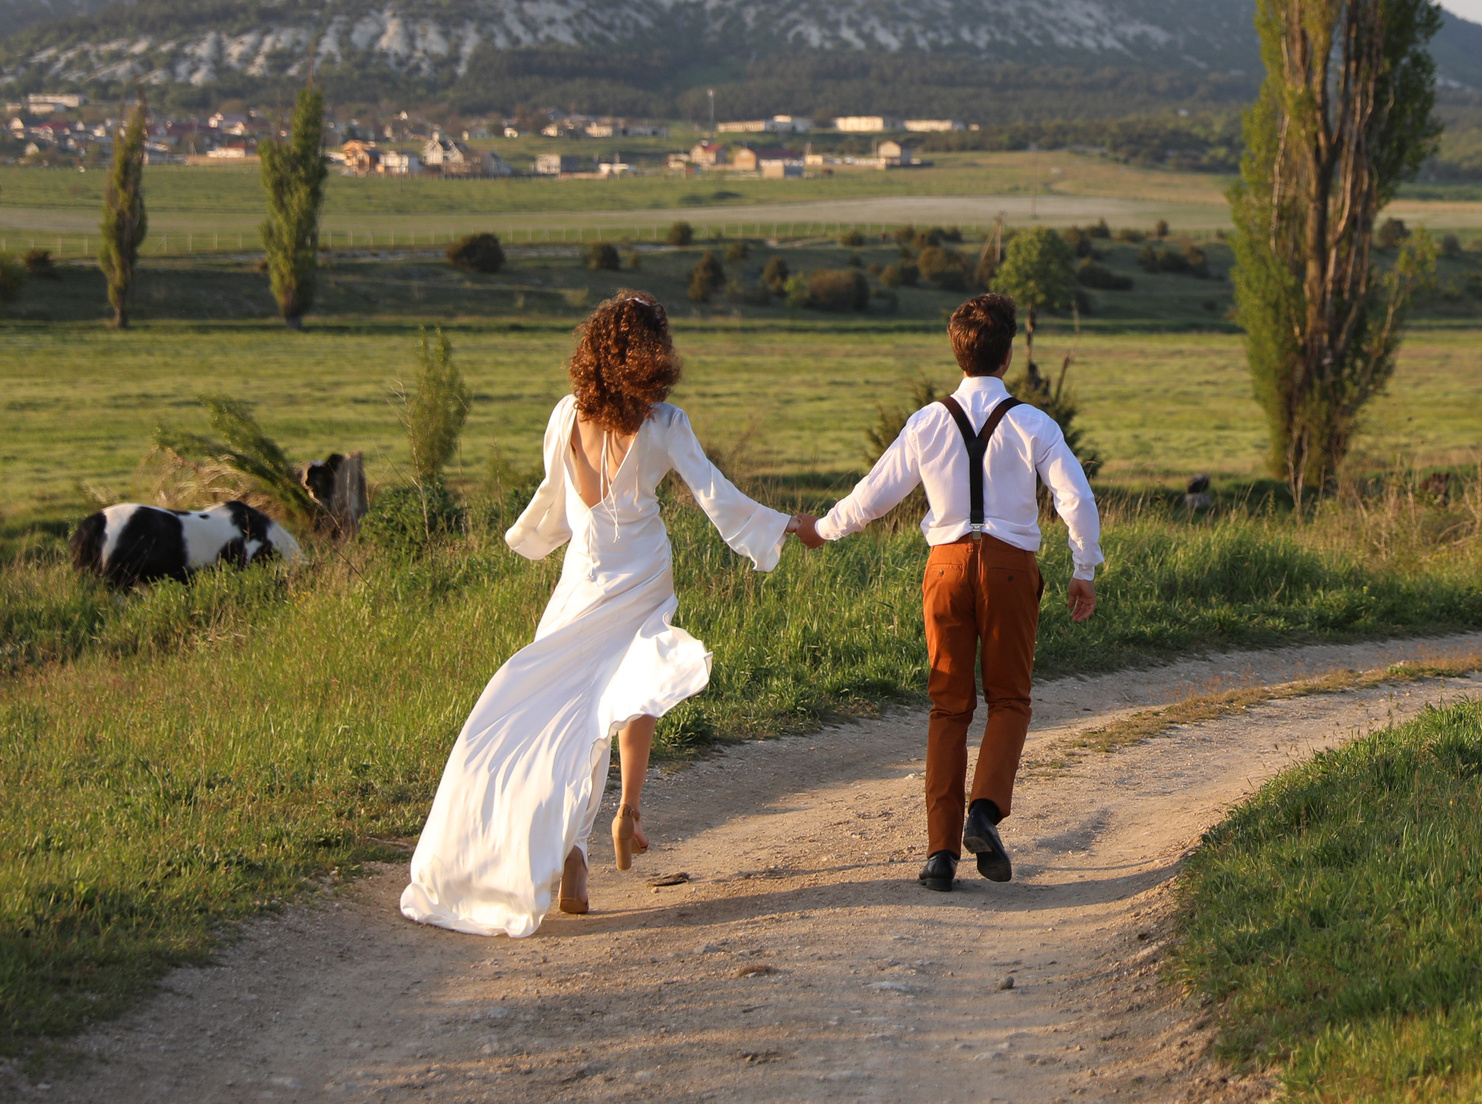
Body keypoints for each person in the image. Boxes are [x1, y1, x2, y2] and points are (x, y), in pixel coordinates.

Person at [399, 292, 815, 936]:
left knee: (565, 720)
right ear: (652, 356)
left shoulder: (565, 416)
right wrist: (787, 525)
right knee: (634, 686)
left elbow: (555, 500)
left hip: (580, 584)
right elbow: (716, 496)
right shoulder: (664, 424)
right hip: (642, 573)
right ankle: (629, 808)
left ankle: (572, 862)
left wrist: (525, 537)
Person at [796, 292, 1102, 892]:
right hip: (1012, 568)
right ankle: (984, 812)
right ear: (1009, 355)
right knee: (1009, 699)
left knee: (948, 707)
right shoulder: (1033, 423)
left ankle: (940, 855)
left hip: (945, 567)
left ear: (956, 352)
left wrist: (822, 530)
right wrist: (1083, 567)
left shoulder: (928, 421)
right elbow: (1078, 500)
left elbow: (872, 497)